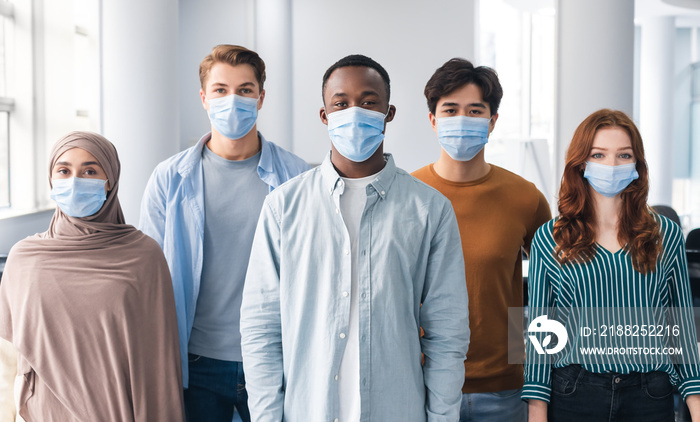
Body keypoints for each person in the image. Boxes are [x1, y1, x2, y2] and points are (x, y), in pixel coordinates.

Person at [240, 54, 470, 421]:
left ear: (388, 112)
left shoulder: (430, 210)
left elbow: (447, 333)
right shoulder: (283, 207)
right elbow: (261, 329)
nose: (354, 112)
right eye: (340, 103)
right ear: (324, 115)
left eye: (368, 102)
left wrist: (442, 417)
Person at [139, 45, 309, 422]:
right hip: (196, 360)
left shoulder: (297, 177)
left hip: (274, 358)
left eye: (245, 90)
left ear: (261, 97)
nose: (233, 100)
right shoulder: (169, 179)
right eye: (220, 90)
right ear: (204, 98)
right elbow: (148, 278)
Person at [522, 109, 700, 421]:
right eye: (599, 155)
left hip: (650, 394)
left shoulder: (666, 234)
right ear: (581, 163)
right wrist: (537, 413)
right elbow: (540, 338)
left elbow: (682, 332)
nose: (612, 165)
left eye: (623, 155)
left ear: (637, 165)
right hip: (575, 393)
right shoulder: (549, 238)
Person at [0, 131, 184, 421]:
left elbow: (158, 364)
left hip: (116, 411)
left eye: (90, 170)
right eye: (64, 170)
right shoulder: (24, 258)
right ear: (51, 179)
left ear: (110, 180)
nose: (75, 181)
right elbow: (9, 356)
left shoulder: (143, 256)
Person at [412, 58, 551, 422]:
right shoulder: (406, 194)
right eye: (450, 110)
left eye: (475, 111)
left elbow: (551, 292)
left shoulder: (525, 197)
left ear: (492, 122)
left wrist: (537, 370)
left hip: (505, 388)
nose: (462, 120)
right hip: (423, 382)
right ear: (432, 120)